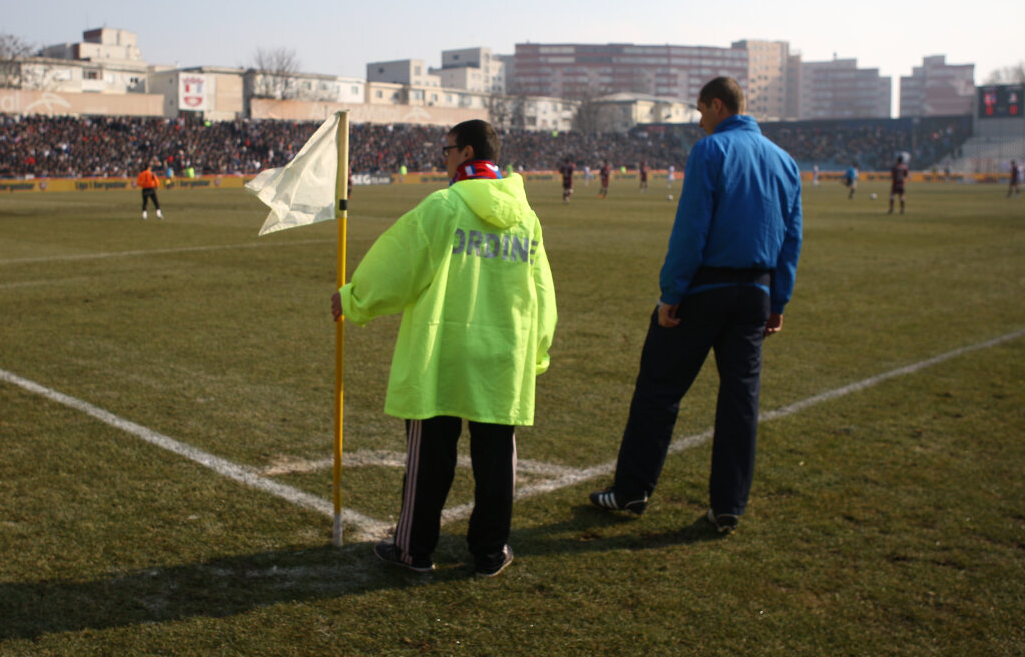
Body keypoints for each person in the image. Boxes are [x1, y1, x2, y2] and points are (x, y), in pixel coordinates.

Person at [332, 119, 556, 577]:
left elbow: (398, 266)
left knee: (431, 458)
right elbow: (543, 291)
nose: (443, 158)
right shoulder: (526, 218)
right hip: (502, 356)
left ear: (466, 152)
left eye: (446, 149)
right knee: (497, 463)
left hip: (443, 352)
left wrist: (354, 298)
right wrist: (537, 351)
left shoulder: (445, 206)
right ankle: (489, 553)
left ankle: (414, 551)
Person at [589, 77, 802, 534]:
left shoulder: (711, 152)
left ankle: (632, 490)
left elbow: (692, 228)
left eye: (701, 110)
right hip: (756, 292)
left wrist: (672, 294)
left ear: (718, 106)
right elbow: (792, 239)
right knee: (740, 402)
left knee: (659, 390)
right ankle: (728, 506)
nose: (699, 120)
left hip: (707, 288)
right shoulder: (785, 162)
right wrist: (778, 300)